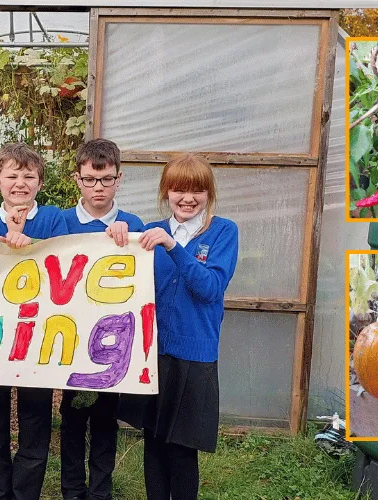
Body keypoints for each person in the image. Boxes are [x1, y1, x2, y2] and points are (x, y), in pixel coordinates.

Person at [116, 153, 238, 500]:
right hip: (153, 353)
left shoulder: (222, 232)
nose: (187, 198)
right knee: (153, 442)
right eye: (178, 189)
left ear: (209, 193)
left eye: (197, 190)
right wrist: (116, 235)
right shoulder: (149, 234)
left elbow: (209, 288)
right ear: (165, 192)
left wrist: (173, 247)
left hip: (194, 355)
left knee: (182, 448)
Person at [0, 142, 68, 500]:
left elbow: (68, 258)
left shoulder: (54, 218)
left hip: (37, 336)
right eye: (12, 175)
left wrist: (34, 243)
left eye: (29, 176)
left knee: (35, 420)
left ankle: (26, 494)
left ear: (40, 182)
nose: (20, 182)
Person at [59, 138, 143, 500]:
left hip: (113, 343)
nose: (98, 187)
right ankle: (72, 490)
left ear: (119, 179)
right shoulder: (59, 222)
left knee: (106, 420)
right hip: (68, 338)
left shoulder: (133, 224)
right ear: (78, 179)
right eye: (91, 179)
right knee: (72, 419)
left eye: (106, 179)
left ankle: (101, 491)